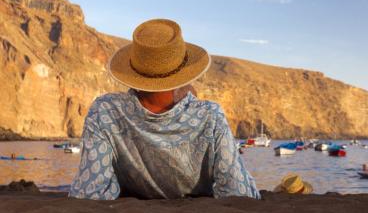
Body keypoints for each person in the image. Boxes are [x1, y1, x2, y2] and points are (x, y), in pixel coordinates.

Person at [69, 19, 260, 200]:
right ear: (182, 76)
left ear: (134, 72)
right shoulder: (209, 115)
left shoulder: (106, 111)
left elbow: (91, 192)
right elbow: (237, 190)